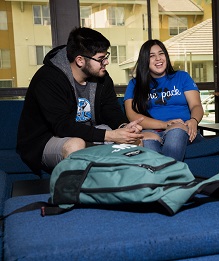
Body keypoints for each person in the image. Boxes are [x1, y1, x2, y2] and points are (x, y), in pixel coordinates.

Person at [17, 27, 144, 174]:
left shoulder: (102, 77)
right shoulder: (48, 79)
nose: (107, 62)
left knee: (133, 141)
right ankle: (78, 194)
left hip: (89, 133)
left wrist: (124, 127)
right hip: (48, 140)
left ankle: (123, 190)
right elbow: (62, 126)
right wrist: (110, 135)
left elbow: (110, 109)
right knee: (76, 144)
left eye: (106, 56)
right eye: (101, 59)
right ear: (80, 60)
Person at [123, 39, 204, 161]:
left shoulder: (182, 77)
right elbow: (132, 116)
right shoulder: (135, 84)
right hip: (151, 131)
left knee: (176, 130)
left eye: (161, 53)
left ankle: (167, 176)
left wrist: (194, 120)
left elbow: (196, 105)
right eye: (152, 56)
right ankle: (164, 178)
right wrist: (164, 124)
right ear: (145, 60)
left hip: (182, 129)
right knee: (146, 141)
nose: (158, 58)